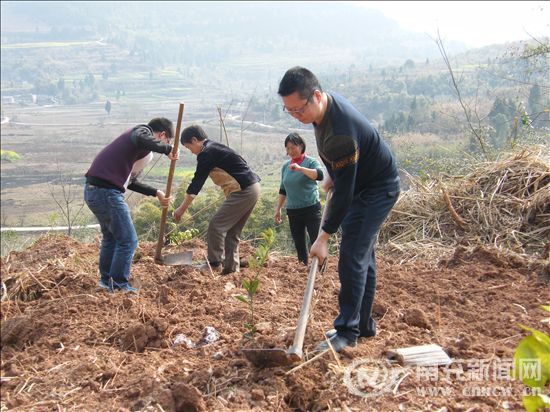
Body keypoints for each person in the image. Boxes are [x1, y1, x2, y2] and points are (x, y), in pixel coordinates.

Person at [278, 66, 400, 352]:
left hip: (375, 190)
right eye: (289, 111)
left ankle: (347, 332)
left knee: (351, 256)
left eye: (299, 110)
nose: (296, 116)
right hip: (362, 182)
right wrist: (334, 171)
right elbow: (345, 166)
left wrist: (323, 237)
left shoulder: (340, 132)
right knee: (363, 256)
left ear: (316, 96)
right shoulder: (326, 109)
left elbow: (344, 195)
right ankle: (363, 324)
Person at [84, 118, 178, 292]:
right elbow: (140, 137)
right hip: (106, 193)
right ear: (163, 134)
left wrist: (156, 192)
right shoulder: (141, 131)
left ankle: (106, 282)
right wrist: (167, 149)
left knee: (112, 238)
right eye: (168, 141)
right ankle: (119, 286)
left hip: (94, 191)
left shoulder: (138, 149)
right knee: (128, 240)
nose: (166, 145)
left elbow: (130, 182)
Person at [173, 125, 261, 275]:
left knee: (216, 225)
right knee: (232, 231)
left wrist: (181, 209)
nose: (192, 152)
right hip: (252, 187)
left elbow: (196, 184)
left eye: (189, 148)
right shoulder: (214, 148)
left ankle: (214, 264)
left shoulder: (206, 153)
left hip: (243, 190)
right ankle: (231, 270)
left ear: (195, 140)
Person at [275, 133, 324, 265]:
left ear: (301, 146)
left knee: (316, 240)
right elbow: (283, 189)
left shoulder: (311, 162)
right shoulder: (286, 166)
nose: (290, 151)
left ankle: (321, 271)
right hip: (293, 210)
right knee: (299, 243)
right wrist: (278, 208)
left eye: (293, 147)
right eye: (288, 148)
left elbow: (319, 175)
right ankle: (303, 270)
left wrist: (301, 169)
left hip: (311, 208)